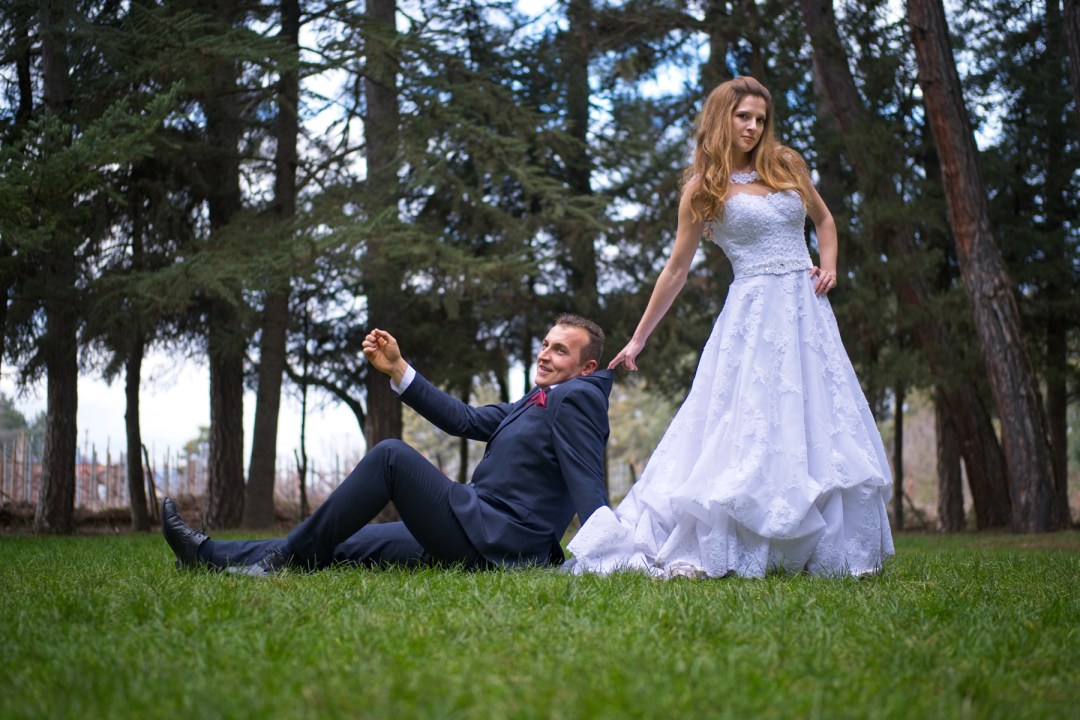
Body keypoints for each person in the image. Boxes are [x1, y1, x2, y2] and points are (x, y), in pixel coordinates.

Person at [564, 77, 894, 579]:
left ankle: (833, 548)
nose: (753, 127)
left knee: (816, 417)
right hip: (752, 316)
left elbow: (824, 222)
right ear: (722, 118)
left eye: (761, 119)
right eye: (744, 117)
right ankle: (734, 537)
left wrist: (829, 266)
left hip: (806, 313)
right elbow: (676, 270)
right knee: (748, 424)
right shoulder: (703, 188)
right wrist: (638, 337)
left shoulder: (787, 164)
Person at [162, 313, 612, 575]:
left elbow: (587, 475)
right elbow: (465, 419)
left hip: (499, 540)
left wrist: (608, 551)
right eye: (545, 344)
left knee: (391, 456)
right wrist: (398, 369)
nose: (544, 354)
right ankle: (205, 554)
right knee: (344, 540)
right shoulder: (535, 400)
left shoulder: (578, 398)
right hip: (471, 528)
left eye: (560, 350)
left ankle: (281, 561)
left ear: (587, 368)